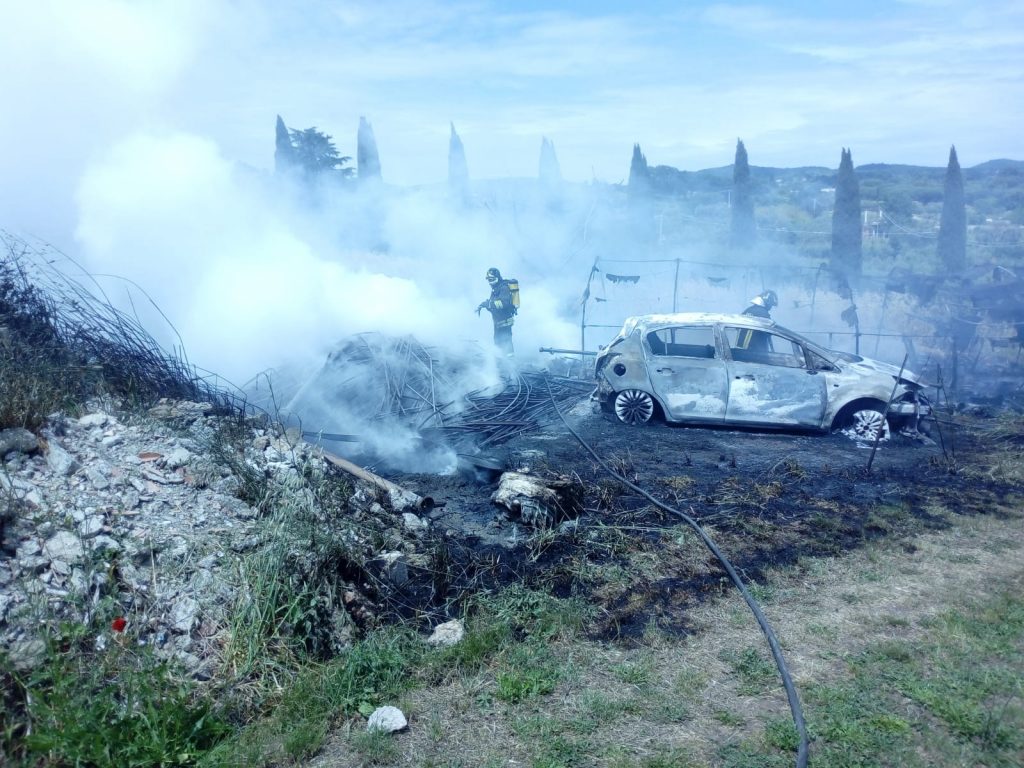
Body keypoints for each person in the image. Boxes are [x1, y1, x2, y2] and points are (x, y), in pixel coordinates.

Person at [477, 267, 515, 356]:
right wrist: (483, 304)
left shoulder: (504, 288)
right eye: (489, 280)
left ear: (497, 277)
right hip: (498, 322)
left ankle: (511, 364)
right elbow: (493, 301)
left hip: (505, 322)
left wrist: (490, 305)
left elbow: (504, 303)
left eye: (492, 279)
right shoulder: (496, 288)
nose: (490, 282)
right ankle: (501, 363)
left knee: (506, 344)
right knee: (498, 343)